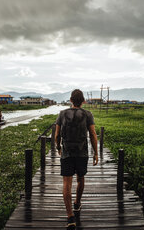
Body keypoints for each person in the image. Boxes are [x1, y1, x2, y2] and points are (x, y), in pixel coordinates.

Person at [55, 89, 98, 230]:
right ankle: (77, 203)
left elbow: (56, 135)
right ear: (83, 100)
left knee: (67, 183)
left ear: (70, 100)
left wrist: (58, 148)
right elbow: (92, 134)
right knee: (81, 178)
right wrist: (96, 153)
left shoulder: (62, 114)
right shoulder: (87, 114)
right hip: (82, 153)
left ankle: (70, 217)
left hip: (67, 153)